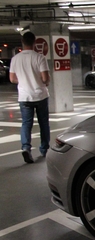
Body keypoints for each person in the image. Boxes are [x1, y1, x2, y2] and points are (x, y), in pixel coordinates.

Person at [9, 31, 50, 164]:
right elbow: (45, 79)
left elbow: (12, 79)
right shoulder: (40, 58)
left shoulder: (15, 59)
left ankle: (26, 148)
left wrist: (23, 80)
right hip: (40, 95)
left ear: (22, 42)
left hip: (24, 96)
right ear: (34, 42)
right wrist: (43, 81)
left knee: (26, 123)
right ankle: (44, 149)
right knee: (43, 123)